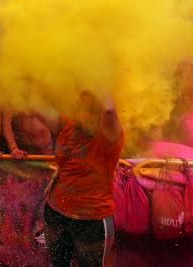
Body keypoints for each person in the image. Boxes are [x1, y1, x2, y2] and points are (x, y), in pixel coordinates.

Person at [42, 92, 123, 267]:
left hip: (91, 220)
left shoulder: (108, 135)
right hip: (56, 212)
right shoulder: (68, 125)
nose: (84, 111)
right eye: (81, 105)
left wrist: (101, 74)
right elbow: (34, 105)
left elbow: (109, 109)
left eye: (90, 107)